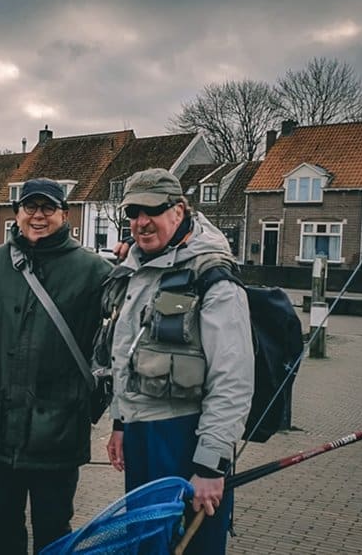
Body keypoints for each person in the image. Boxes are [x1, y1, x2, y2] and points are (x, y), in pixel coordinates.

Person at [102, 168, 254, 554]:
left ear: (179, 210)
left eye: (151, 210)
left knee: (192, 547)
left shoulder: (213, 276)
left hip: (186, 439)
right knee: (146, 545)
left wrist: (210, 466)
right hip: (140, 437)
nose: (141, 222)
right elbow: (126, 354)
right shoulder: (136, 269)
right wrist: (121, 421)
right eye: (133, 213)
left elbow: (233, 377)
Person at [0, 178, 112, 554]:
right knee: (2, 530)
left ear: (64, 215)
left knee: (54, 532)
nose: (38, 216)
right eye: (30, 207)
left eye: (48, 208)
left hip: (58, 433)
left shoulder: (94, 271)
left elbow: (121, 338)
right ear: (17, 214)